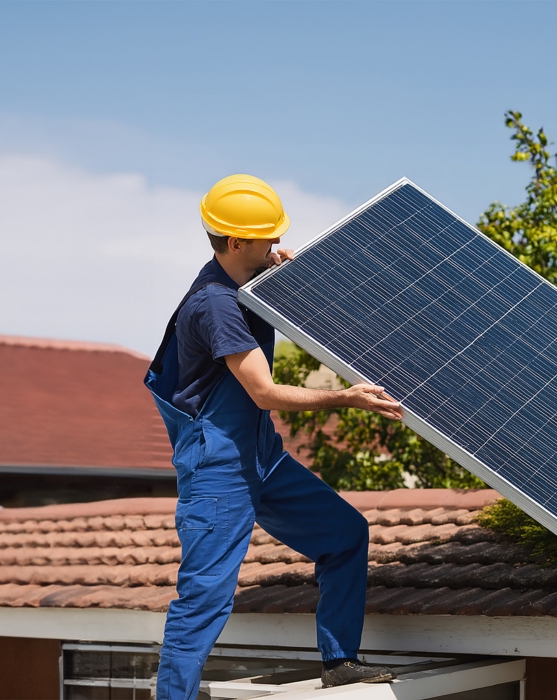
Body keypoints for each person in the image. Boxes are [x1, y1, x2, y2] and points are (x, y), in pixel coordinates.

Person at [145, 174, 404, 699]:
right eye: (266, 238)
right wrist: (345, 396)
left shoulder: (245, 278)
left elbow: (270, 287)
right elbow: (262, 392)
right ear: (235, 241)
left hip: (259, 457)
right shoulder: (214, 303)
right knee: (204, 600)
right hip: (218, 466)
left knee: (345, 534)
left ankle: (340, 660)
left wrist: (284, 277)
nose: (276, 245)